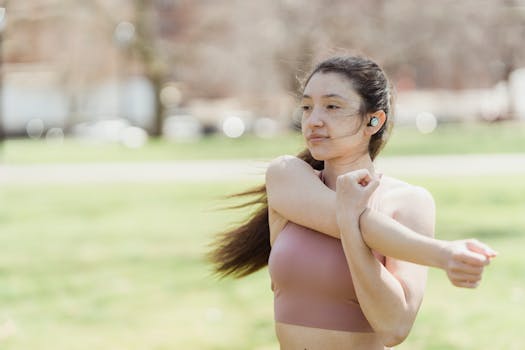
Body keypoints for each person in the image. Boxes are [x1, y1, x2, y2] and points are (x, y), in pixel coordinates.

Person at [208, 55, 497, 349]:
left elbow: (394, 328)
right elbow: (345, 218)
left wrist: (350, 225)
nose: (314, 120)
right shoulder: (286, 175)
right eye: (307, 107)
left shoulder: (408, 202)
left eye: (332, 106)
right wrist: (442, 254)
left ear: (374, 120)